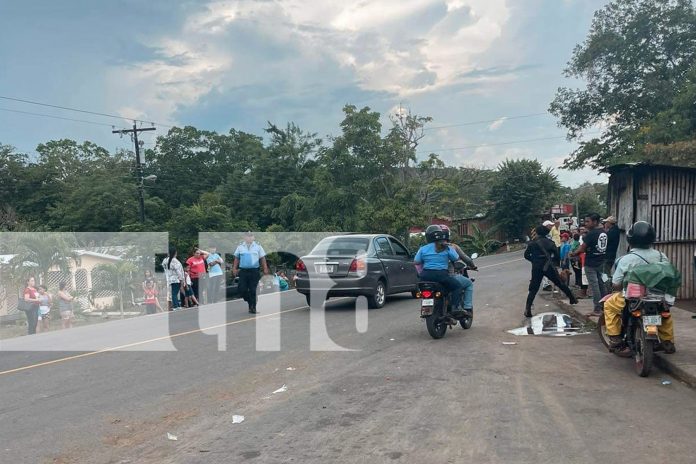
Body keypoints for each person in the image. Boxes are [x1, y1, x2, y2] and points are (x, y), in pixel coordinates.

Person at [602, 221, 676, 354]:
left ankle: (615, 340)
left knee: (609, 305)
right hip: (659, 297)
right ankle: (667, 341)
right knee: (664, 313)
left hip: (634, 299)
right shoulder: (661, 256)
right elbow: (668, 275)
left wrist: (617, 287)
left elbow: (616, 282)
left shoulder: (626, 259)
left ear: (630, 239)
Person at [414, 225, 469, 318]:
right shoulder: (446, 248)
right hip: (441, 275)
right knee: (457, 287)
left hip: (425, 276)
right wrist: (448, 248)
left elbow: (416, 261)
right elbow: (455, 258)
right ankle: (455, 308)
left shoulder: (423, 248)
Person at [524, 225, 578, 317]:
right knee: (560, 283)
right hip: (548, 266)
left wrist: (535, 261)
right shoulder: (550, 242)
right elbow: (556, 256)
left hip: (536, 267)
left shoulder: (532, 243)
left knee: (533, 288)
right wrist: (553, 263)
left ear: (537, 232)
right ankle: (572, 298)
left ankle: (528, 309)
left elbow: (526, 255)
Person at [570, 213, 608, 315]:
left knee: (594, 285)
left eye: (588, 221)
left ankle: (597, 309)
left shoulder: (591, 234)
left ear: (595, 222)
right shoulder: (603, 232)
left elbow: (582, 248)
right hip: (601, 260)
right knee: (601, 284)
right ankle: (605, 306)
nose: (585, 224)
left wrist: (573, 253)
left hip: (591, 262)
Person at [440, 224, 476, 314]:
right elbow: (464, 258)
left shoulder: (427, 248)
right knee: (468, 284)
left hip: (431, 277)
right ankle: (466, 308)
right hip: (448, 276)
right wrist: (473, 265)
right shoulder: (451, 247)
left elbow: (417, 262)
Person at [233, 232, 270, 314]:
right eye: (248, 236)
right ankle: (250, 301)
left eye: (251, 236)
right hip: (243, 271)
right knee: (241, 290)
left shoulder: (258, 246)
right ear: (245, 237)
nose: (249, 238)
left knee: (253, 290)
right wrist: (234, 268)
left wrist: (265, 268)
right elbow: (236, 258)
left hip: (254, 271)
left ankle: (253, 307)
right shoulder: (240, 246)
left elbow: (262, 258)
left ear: (253, 237)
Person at [162, 246, 184, 310]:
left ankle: (177, 305)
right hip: (176, 279)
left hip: (169, 279)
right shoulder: (175, 260)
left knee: (174, 293)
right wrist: (181, 279)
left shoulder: (165, 260)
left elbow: (164, 267)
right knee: (175, 293)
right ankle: (176, 306)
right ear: (175, 253)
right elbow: (178, 271)